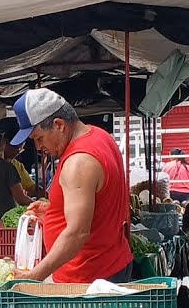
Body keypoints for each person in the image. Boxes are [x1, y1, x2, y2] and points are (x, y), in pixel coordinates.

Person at [16, 89, 134, 284]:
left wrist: (35, 276)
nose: (38, 147)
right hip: (109, 264)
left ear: (59, 125)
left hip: (87, 278)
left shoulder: (78, 162)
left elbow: (78, 232)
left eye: (39, 138)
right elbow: (99, 203)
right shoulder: (100, 136)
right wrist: (54, 211)